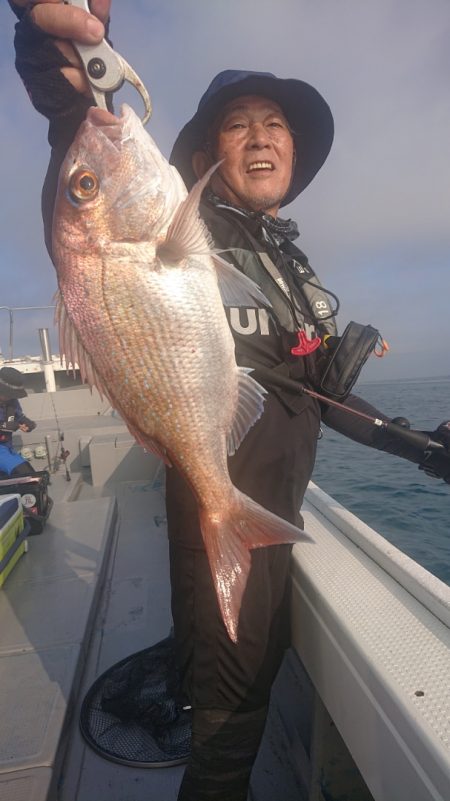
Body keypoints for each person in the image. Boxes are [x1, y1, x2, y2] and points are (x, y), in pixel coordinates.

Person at [8, 3, 450, 799]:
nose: (260, 137)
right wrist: (53, 39)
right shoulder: (185, 219)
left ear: (294, 151)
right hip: (213, 512)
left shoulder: (296, 272)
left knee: (253, 686)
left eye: (274, 123)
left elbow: (315, 395)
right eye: (238, 123)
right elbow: (71, 113)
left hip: (271, 520)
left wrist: (417, 441)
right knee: (228, 722)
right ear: (207, 150)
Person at [0, 366, 37, 478]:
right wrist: (9, 426)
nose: (10, 397)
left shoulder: (12, 401)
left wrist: (29, 424)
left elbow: (19, 417)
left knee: (30, 473)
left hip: (6, 448)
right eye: (8, 394)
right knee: (21, 472)